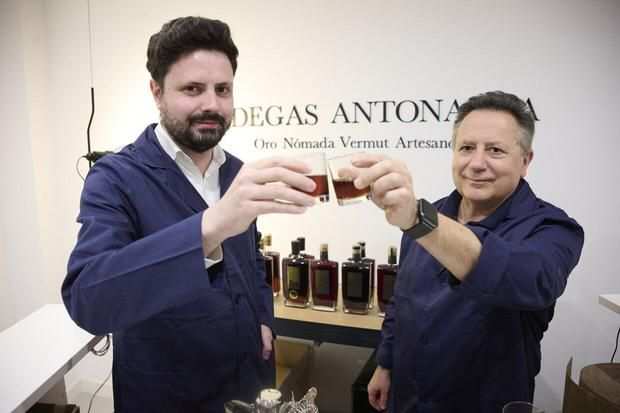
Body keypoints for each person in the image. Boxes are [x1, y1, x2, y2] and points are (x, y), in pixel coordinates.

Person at [62, 16, 316, 412]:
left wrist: (264, 318)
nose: (211, 104)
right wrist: (209, 226)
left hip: (250, 384)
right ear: (157, 91)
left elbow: (250, 261)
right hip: (169, 393)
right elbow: (88, 299)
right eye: (193, 89)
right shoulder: (115, 178)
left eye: (223, 89)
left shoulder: (237, 172)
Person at [352, 91, 584, 412]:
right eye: (466, 148)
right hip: (408, 396)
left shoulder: (553, 229)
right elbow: (402, 299)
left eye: (495, 150)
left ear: (525, 161)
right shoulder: (431, 214)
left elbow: (528, 279)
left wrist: (420, 221)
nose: (476, 163)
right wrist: (385, 363)